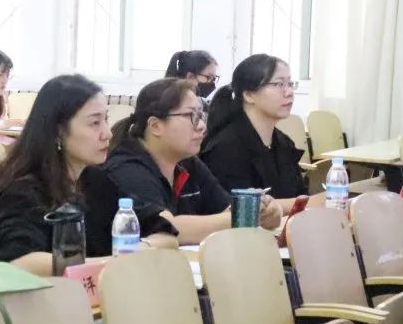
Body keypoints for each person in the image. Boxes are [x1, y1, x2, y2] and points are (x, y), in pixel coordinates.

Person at [0, 75, 177, 276]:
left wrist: (136, 250)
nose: (108, 133)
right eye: (95, 123)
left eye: (105, 120)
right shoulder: (19, 190)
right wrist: (116, 262)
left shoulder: (96, 181)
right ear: (58, 131)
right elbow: (22, 263)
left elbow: (164, 232)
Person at [103, 78, 282, 245]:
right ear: (155, 126)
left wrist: (266, 211)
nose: (202, 126)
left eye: (200, 115)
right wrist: (244, 216)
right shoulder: (127, 168)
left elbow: (225, 210)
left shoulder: (188, 162)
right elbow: (168, 227)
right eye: (191, 116)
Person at [202, 54, 306, 211]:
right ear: (249, 95)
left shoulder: (284, 143)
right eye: (279, 84)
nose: (289, 92)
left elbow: (301, 195)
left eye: (290, 84)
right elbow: (241, 210)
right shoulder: (226, 148)